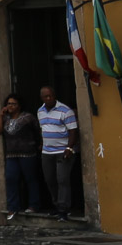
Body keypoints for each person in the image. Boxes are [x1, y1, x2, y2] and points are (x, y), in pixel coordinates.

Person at [36, 86, 79, 220]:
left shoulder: (66, 111)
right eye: (46, 96)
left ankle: (63, 209)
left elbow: (73, 131)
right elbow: (42, 128)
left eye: (51, 96)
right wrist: (42, 143)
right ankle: (56, 205)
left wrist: (69, 148)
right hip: (47, 152)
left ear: (54, 95)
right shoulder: (40, 111)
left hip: (63, 151)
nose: (49, 98)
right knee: (50, 179)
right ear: (42, 98)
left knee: (62, 179)